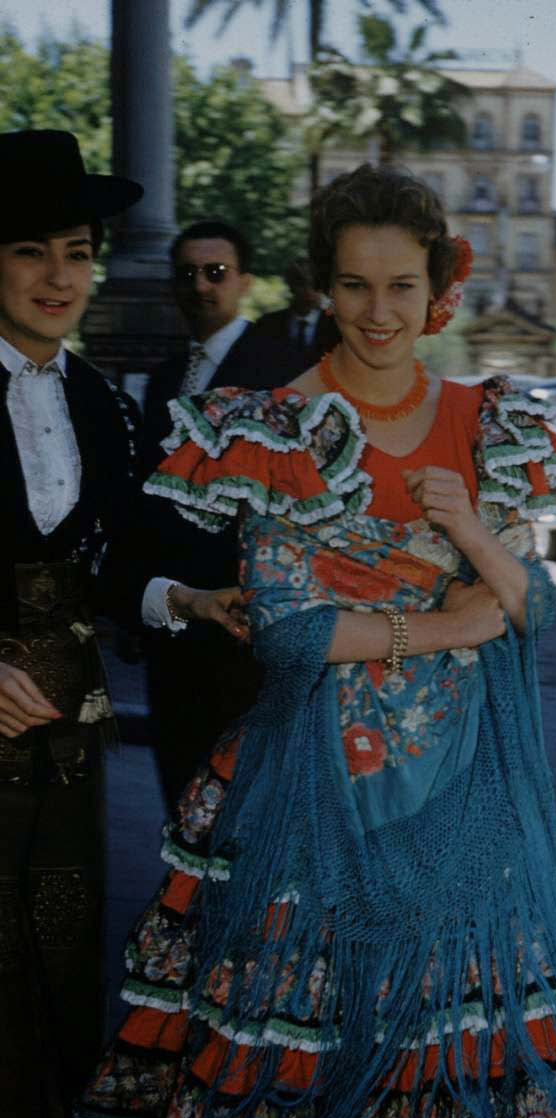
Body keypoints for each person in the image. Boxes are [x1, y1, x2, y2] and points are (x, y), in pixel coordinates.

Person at [76, 165, 556, 1118]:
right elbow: (287, 631)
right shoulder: (274, 424)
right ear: (320, 289)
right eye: (351, 286)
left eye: (400, 285)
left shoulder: (490, 421)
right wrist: (446, 626)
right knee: (311, 1051)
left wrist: (475, 537)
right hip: (310, 787)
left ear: (439, 286)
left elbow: (530, 608)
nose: (378, 312)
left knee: (460, 1055)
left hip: (466, 791)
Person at [0, 127, 145, 1118]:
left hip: (67, 743)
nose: (61, 276)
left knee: (60, 972)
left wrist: (188, 606)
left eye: (80, 249)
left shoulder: (102, 401)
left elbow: (128, 560)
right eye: (29, 251)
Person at [140, 220, 274, 809]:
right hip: (172, 624)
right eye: (187, 274)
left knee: (238, 804)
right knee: (177, 787)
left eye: (215, 272)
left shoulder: (278, 368)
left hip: (246, 626)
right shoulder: (167, 375)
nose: (201, 285)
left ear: (244, 281)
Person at [243, 256, 339, 385]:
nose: (309, 291)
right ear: (291, 285)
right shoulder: (268, 324)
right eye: (302, 283)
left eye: (315, 284)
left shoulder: (336, 326)